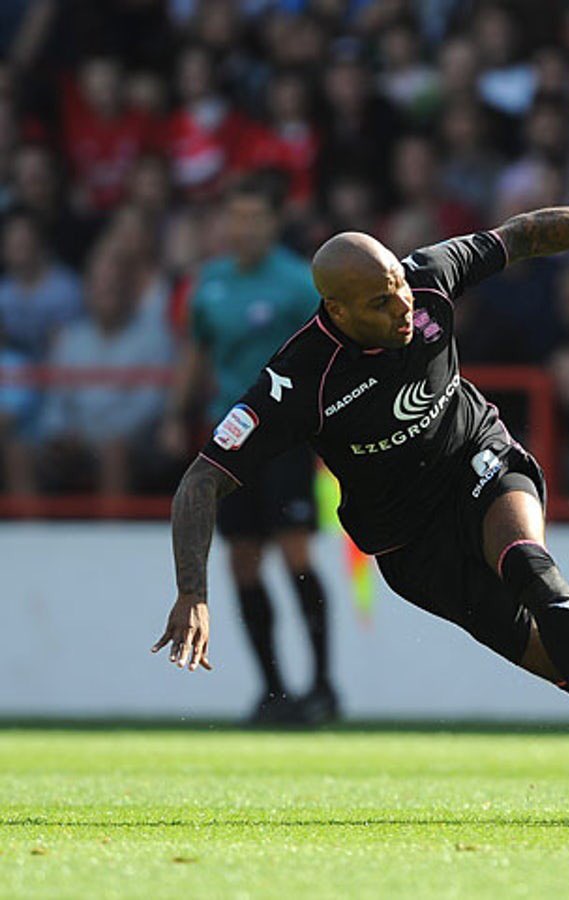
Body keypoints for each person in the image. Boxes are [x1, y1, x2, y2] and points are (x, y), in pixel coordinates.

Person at [151, 163, 569, 813]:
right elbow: (201, 481)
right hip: (411, 544)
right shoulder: (300, 379)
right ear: (336, 308)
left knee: (529, 563)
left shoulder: (427, 278)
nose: (401, 304)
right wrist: (192, 590)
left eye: (398, 284)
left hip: (480, 458)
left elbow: (526, 233)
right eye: (380, 300)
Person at [160, 175, 337, 726]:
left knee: (296, 554)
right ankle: (274, 691)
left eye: (254, 216)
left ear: (274, 222)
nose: (243, 227)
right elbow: (198, 353)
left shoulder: (297, 282)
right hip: (230, 438)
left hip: (285, 438)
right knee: (241, 561)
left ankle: (323, 684)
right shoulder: (209, 285)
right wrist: (174, 413)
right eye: (235, 215)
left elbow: (327, 352)